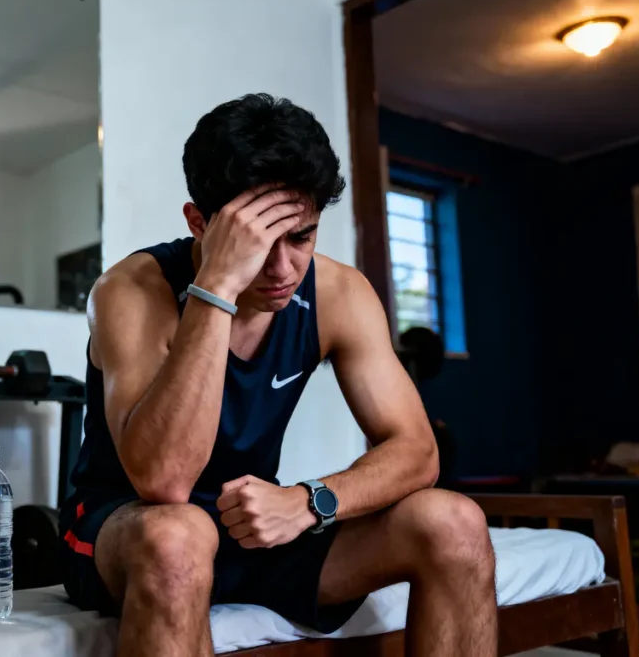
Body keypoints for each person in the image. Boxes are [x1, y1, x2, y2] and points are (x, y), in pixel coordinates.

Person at [58, 93, 497, 657]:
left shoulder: (339, 292)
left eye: (301, 236)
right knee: (177, 535)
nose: (283, 268)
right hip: (127, 530)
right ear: (199, 222)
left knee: (454, 521)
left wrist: (311, 502)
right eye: (258, 242)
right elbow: (163, 483)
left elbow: (418, 451)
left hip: (251, 529)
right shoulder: (130, 291)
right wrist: (216, 285)